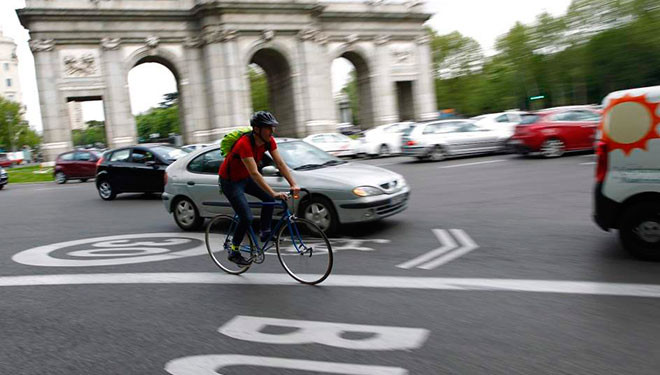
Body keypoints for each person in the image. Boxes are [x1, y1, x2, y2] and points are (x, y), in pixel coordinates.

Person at [218, 111, 300, 266]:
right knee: (246, 217)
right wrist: (274, 192)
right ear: (257, 129)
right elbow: (255, 173)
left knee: (269, 199)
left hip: (244, 178)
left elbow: (280, 164)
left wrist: (293, 183)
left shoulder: (269, 141)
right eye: (268, 128)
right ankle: (234, 250)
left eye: (273, 127)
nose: (272, 131)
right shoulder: (244, 144)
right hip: (230, 181)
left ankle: (265, 232)